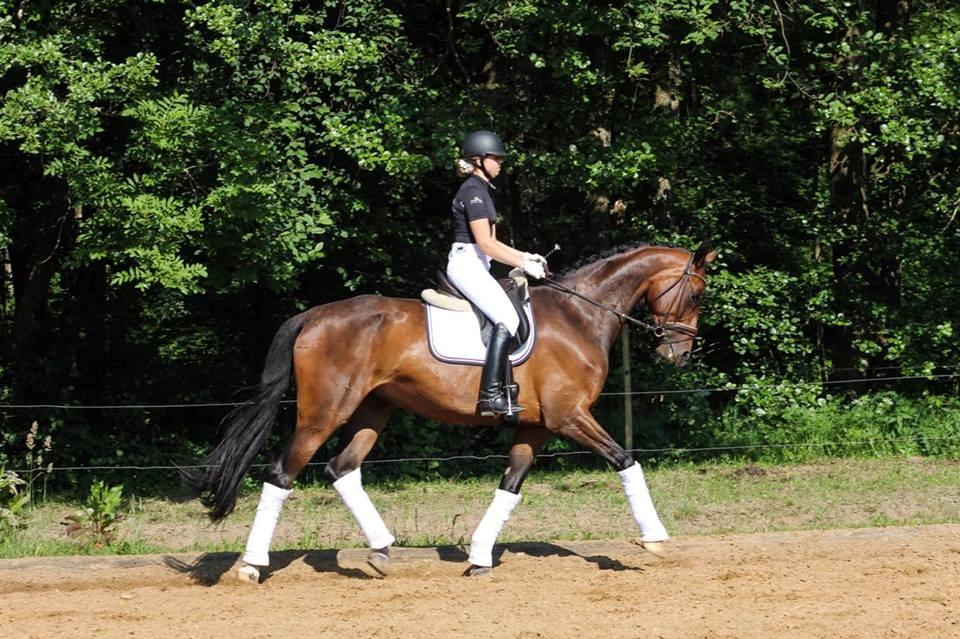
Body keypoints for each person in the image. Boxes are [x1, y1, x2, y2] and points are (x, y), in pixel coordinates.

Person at [445, 130, 548, 419]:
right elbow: (485, 243)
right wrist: (524, 263)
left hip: (478, 263)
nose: (501, 162)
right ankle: (490, 395)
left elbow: (493, 245)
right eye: (496, 158)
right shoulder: (472, 191)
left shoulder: (484, 189)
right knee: (508, 318)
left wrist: (524, 257)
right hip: (466, 263)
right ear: (479, 160)